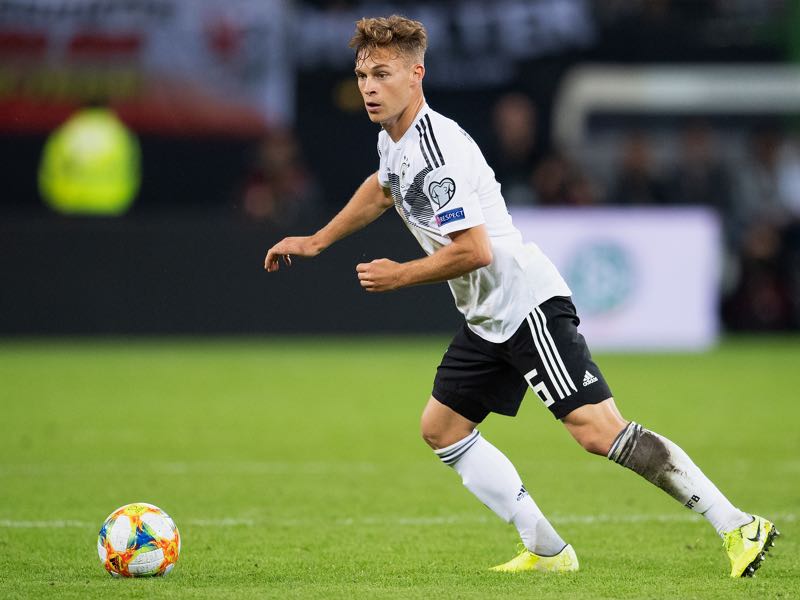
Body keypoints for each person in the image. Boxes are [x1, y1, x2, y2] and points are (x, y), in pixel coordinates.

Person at [264, 15, 778, 577]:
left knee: (598, 431)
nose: (367, 85)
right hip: (488, 317)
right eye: (362, 73)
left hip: (526, 305)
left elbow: (475, 251)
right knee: (442, 428)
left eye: (381, 74)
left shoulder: (439, 152)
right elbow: (382, 188)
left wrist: (400, 275)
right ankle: (549, 551)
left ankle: (737, 524)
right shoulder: (394, 140)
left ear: (416, 76)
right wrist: (318, 239)